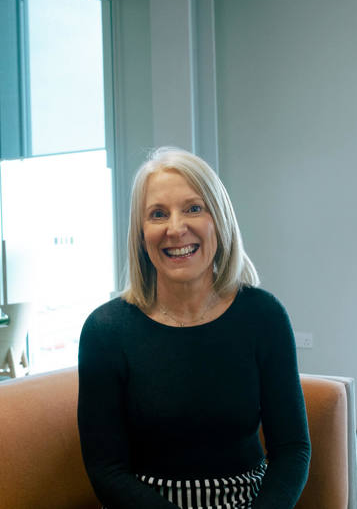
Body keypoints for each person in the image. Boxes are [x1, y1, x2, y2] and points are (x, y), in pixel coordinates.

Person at [78, 147, 310, 509]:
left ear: (219, 220)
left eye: (193, 208)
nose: (175, 229)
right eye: (158, 214)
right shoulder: (105, 331)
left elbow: (292, 448)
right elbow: (105, 469)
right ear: (141, 234)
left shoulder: (264, 316)